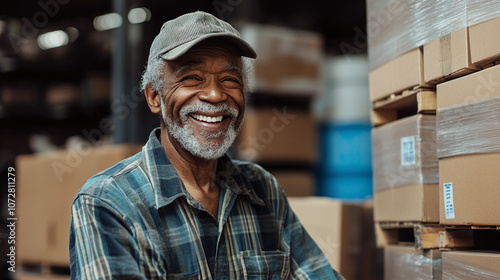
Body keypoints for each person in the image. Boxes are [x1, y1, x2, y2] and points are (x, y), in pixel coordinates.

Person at [69, 11, 345, 280]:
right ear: (155, 97)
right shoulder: (108, 203)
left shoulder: (263, 190)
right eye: (191, 78)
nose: (215, 95)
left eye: (229, 80)